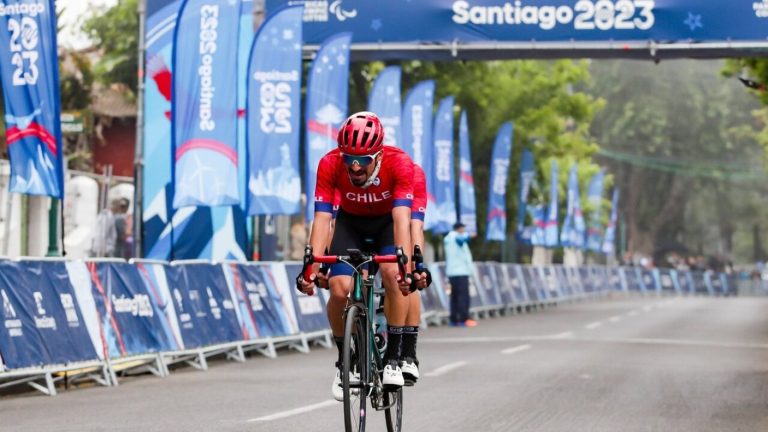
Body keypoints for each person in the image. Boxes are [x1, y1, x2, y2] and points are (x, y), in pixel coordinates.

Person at [297, 111, 425, 401]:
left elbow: (403, 219)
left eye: (363, 160)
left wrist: (405, 267)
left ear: (378, 156)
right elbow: (321, 221)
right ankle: (346, 361)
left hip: (386, 226)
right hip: (350, 225)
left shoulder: (400, 163)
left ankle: (393, 357)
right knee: (339, 288)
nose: (355, 166)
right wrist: (310, 269)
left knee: (394, 275)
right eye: (349, 158)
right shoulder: (330, 164)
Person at [444, 221, 477, 327]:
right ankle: (464, 319)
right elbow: (462, 239)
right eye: (463, 228)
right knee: (463, 297)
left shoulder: (448, 239)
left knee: (454, 297)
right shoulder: (455, 237)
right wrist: (469, 235)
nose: (464, 230)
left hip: (452, 273)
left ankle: (454, 320)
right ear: (458, 228)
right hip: (461, 272)